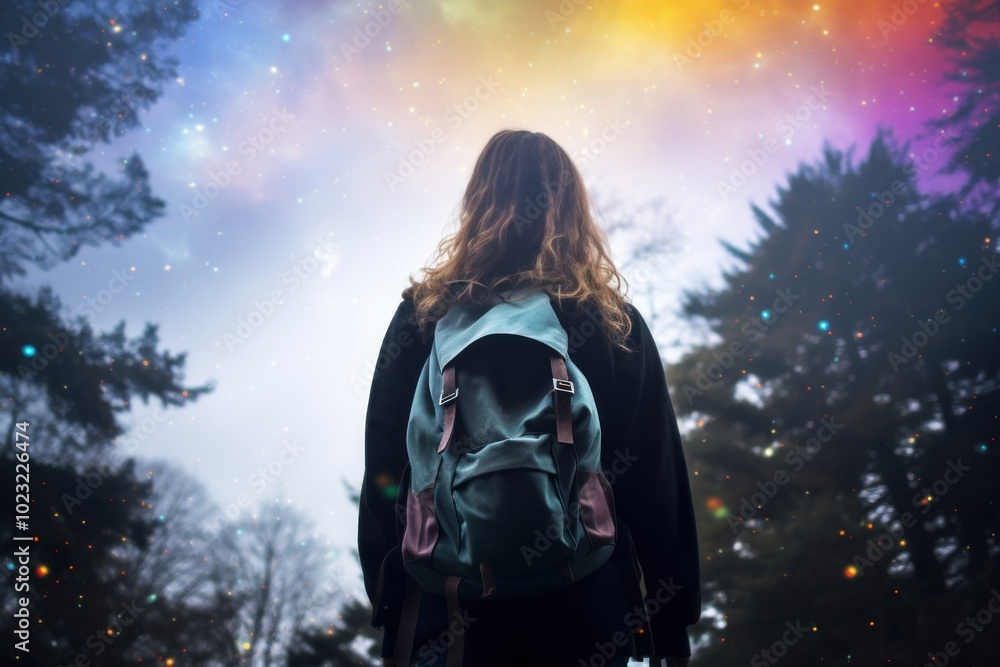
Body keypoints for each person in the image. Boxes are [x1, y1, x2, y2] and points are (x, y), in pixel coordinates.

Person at [359, 129, 701, 666]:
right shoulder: (610, 321)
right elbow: (654, 480)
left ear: (478, 202)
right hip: (585, 608)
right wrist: (669, 622)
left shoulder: (424, 314)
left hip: (449, 611)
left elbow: (386, 464)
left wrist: (391, 600)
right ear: (570, 209)